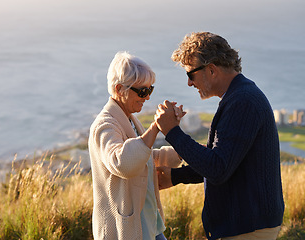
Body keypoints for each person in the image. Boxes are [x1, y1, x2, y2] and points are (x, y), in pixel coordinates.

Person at [155, 32, 284, 240]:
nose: (189, 83)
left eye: (191, 75)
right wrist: (177, 176)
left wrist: (172, 132)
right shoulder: (240, 96)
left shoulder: (242, 102)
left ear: (212, 70)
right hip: (248, 226)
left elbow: (218, 168)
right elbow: (224, 160)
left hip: (247, 229)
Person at [88, 51, 184, 240]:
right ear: (118, 89)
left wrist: (185, 151)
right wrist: (156, 127)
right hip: (124, 229)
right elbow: (123, 163)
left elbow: (144, 155)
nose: (147, 97)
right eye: (142, 91)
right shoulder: (105, 125)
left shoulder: (129, 118)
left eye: (150, 90)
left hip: (148, 223)